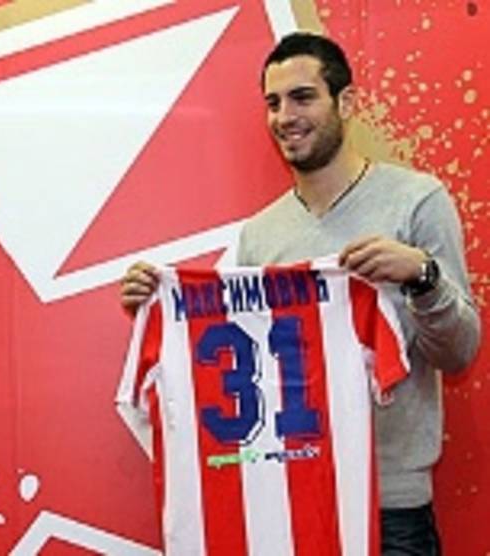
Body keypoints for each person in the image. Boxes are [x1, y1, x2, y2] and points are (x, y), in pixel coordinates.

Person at [119, 32, 480, 555]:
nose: (285, 116)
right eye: (273, 103)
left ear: (346, 102)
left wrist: (422, 277)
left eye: (303, 97)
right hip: (289, 500)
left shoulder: (416, 201)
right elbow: (237, 364)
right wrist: (157, 305)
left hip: (390, 508)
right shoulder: (259, 235)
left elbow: (460, 351)